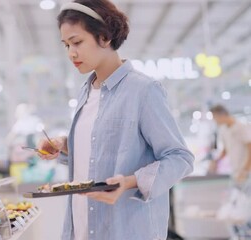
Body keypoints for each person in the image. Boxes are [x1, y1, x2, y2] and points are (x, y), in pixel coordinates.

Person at [36, 1, 194, 239]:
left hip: (126, 230)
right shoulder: (85, 92)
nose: (71, 53)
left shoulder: (143, 91)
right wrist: (65, 145)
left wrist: (130, 182)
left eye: (77, 42)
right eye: (66, 45)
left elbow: (181, 158)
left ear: (104, 37)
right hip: (80, 230)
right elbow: (99, 149)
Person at [209, 104, 251, 184]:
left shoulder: (241, 127)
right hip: (236, 170)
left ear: (221, 115)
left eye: (215, 117)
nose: (214, 120)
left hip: (246, 171)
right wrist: (216, 161)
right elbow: (226, 149)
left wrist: (245, 170)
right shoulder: (223, 129)